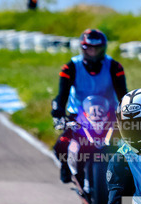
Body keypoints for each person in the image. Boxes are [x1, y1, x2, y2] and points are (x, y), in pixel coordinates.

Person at [51, 29, 128, 183]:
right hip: (79, 115)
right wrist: (58, 111)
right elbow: (62, 95)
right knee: (61, 145)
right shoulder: (70, 68)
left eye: (97, 48)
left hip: (109, 114)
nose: (93, 52)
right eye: (89, 48)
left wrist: (126, 113)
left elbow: (123, 95)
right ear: (83, 48)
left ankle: (125, 177)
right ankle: (66, 166)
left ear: (103, 48)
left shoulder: (115, 67)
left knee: (127, 146)